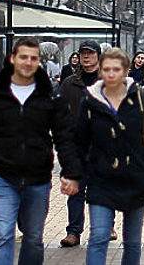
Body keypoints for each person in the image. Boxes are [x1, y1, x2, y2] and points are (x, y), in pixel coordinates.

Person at [0, 37, 82, 265]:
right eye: (23, 57)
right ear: (13, 59)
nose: (28, 62)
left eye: (34, 58)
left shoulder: (50, 93)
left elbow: (63, 136)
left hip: (38, 178)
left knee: (33, 238)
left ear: (39, 61)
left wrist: (71, 172)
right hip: (2, 176)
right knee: (3, 235)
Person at [75, 47, 144, 265]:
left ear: (125, 70)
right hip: (101, 180)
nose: (111, 74)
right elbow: (79, 141)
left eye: (116, 69)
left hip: (136, 179)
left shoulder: (142, 97)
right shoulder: (90, 100)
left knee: (132, 240)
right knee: (98, 237)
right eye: (106, 69)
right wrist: (78, 172)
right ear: (100, 71)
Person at [58, 40, 103, 248]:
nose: (86, 57)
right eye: (83, 53)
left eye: (90, 53)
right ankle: (73, 231)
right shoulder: (69, 84)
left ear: (98, 56)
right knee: (75, 190)